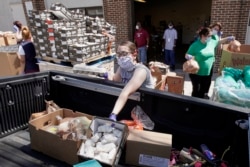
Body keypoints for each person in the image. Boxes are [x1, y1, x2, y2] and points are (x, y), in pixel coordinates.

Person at [109, 41, 155, 121]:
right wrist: (104, 74)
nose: (121, 57)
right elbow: (115, 80)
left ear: (134, 54)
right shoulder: (122, 68)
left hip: (146, 110)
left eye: (124, 53)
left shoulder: (141, 71)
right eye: (119, 54)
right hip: (131, 106)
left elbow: (126, 92)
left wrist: (113, 114)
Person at [185, 27, 234, 99]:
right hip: (196, 73)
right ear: (202, 36)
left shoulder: (211, 42)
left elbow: (219, 41)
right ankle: (193, 106)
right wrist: (191, 57)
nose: (210, 38)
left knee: (202, 90)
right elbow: (186, 55)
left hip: (207, 73)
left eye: (211, 36)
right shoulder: (195, 45)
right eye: (208, 36)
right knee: (196, 91)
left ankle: (201, 105)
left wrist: (228, 38)